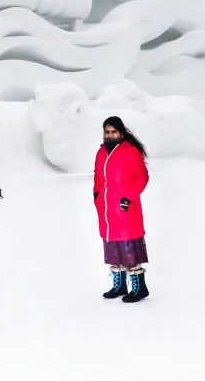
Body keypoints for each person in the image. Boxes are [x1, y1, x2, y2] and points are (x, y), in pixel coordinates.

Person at [93, 115, 150, 303]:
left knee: (128, 247)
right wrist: (97, 195)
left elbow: (142, 177)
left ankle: (139, 287)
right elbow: (98, 178)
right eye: (106, 132)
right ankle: (119, 285)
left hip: (124, 209)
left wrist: (128, 198)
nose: (109, 135)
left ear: (121, 132)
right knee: (113, 248)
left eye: (113, 132)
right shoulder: (101, 153)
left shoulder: (130, 151)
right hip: (107, 210)